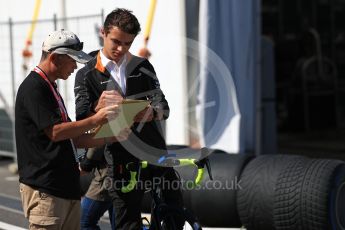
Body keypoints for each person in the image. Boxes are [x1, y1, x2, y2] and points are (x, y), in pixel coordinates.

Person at [74, 8, 184, 230]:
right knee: (126, 224)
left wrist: (151, 112)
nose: (121, 49)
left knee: (174, 218)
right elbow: (82, 119)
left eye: (128, 44)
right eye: (116, 41)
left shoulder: (142, 66)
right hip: (118, 161)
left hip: (154, 154)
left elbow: (165, 107)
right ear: (103, 32)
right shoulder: (86, 73)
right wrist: (98, 108)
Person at [15, 29, 130, 230]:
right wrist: (96, 119)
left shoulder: (50, 87)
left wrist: (110, 137)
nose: (75, 67)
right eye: (72, 60)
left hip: (64, 188)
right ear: (55, 58)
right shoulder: (34, 87)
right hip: (46, 190)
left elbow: (71, 137)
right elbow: (56, 132)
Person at [77, 46, 153, 230]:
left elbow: (105, 133)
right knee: (119, 220)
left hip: (107, 168)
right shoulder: (121, 88)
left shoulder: (107, 93)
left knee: (84, 221)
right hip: (124, 162)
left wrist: (86, 164)